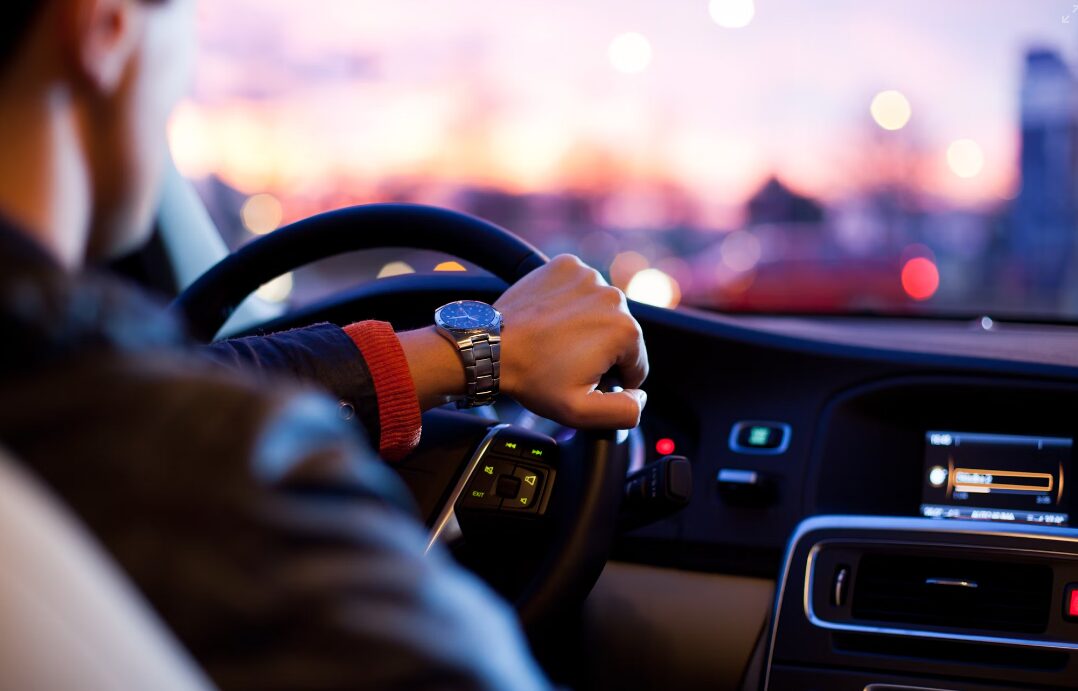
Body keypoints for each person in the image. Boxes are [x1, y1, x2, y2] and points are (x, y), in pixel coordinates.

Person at [0, 0, 648, 689]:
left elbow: (180, 375)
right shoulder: (225, 481)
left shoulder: (62, 396)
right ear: (105, 26)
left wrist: (472, 351)